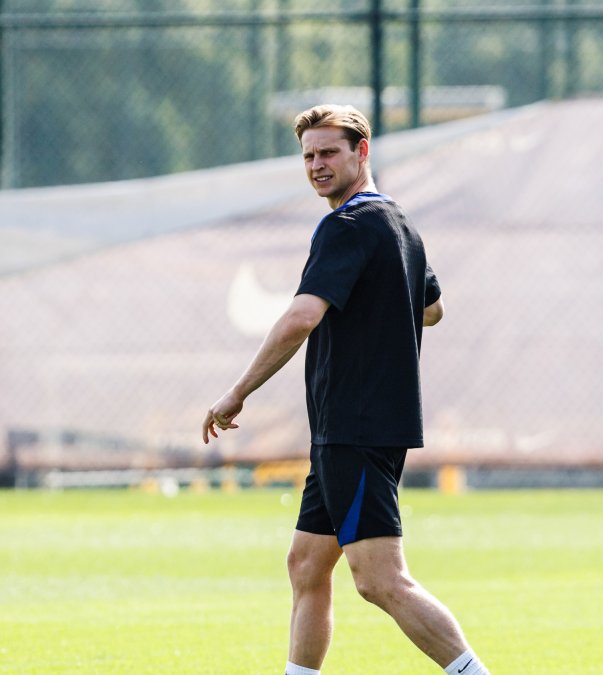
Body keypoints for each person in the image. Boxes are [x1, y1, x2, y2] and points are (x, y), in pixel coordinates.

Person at [202, 104, 489, 675]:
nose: (316, 165)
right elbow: (432, 310)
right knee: (307, 564)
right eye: (308, 155)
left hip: (355, 426)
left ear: (362, 151)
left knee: (381, 580)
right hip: (356, 426)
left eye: (329, 152)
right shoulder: (399, 223)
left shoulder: (349, 225)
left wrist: (237, 393)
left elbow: (300, 318)